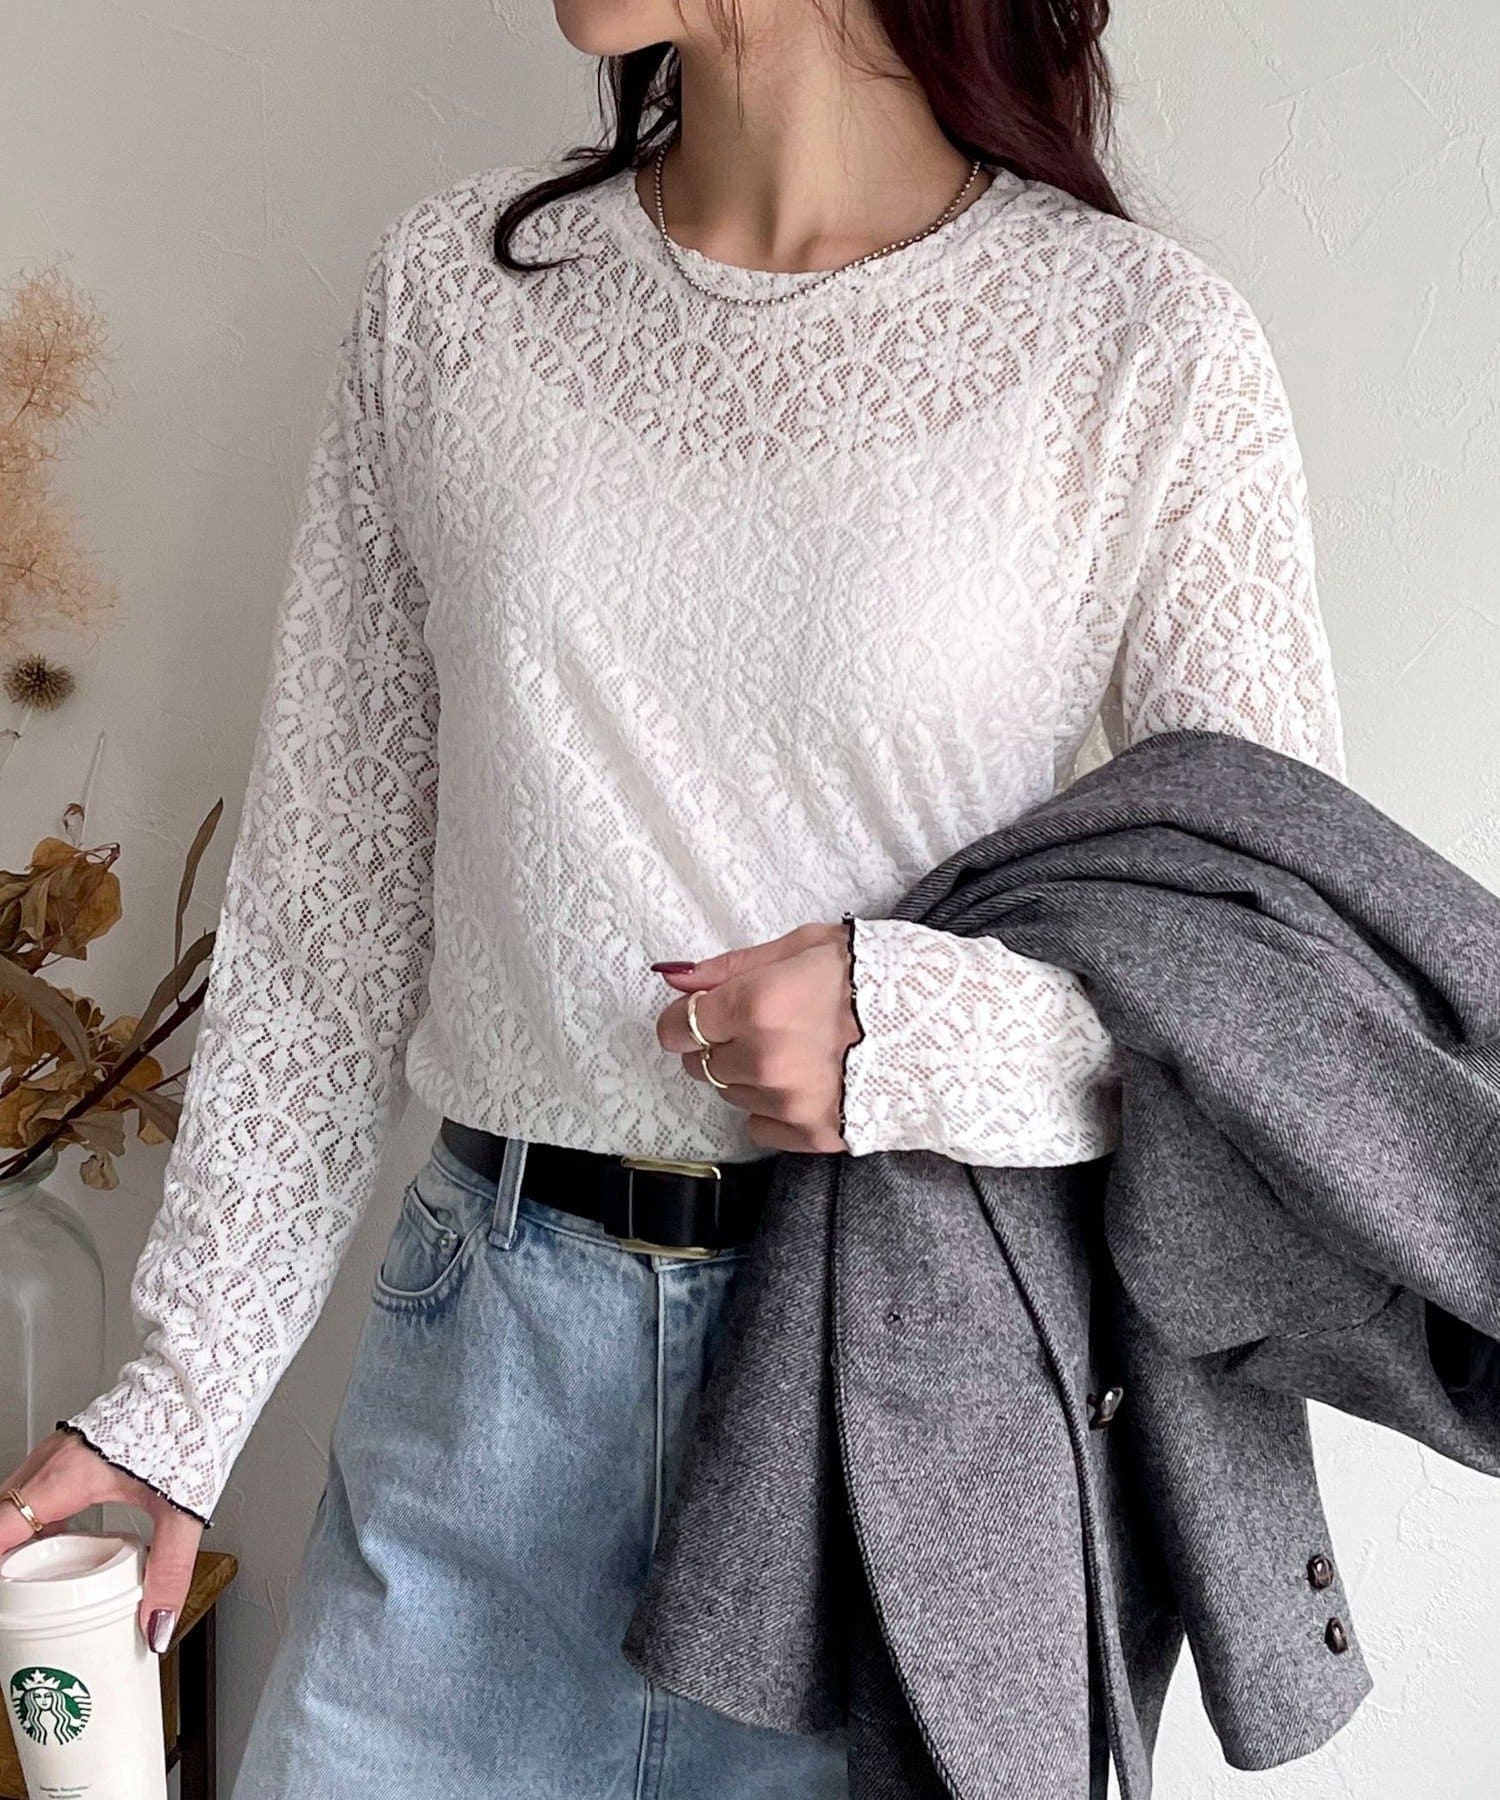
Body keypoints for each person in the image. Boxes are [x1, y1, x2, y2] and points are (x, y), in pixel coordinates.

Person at [0, 0, 1345, 1792]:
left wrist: (920, 1028)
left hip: (902, 1424)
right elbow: (331, 909)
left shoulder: (1138, 341)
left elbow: (1280, 976)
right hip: (476, 1394)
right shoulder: (454, 298)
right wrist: (179, 1400)